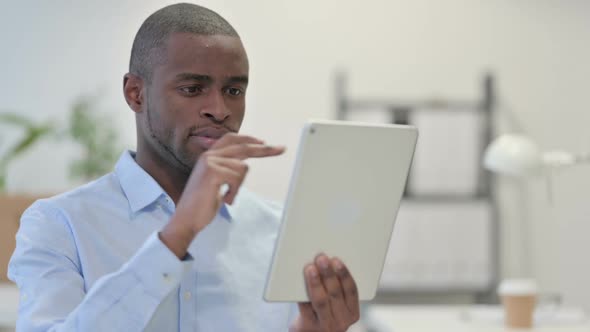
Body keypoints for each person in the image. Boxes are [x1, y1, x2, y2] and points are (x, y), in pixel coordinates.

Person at [8, 3, 360, 332]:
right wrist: (176, 235)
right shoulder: (59, 225)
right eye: (193, 88)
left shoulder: (279, 231)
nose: (219, 109)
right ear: (136, 94)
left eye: (234, 90)